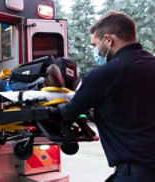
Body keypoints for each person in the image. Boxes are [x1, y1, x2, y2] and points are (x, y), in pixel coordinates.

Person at [58, 10, 155, 181]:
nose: (96, 51)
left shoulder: (102, 75)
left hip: (136, 174)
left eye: (95, 45)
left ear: (108, 40)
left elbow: (68, 112)